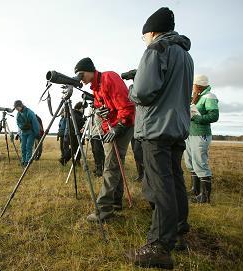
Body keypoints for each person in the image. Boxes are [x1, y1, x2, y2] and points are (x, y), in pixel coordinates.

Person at [127, 7, 194, 269]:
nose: (144, 40)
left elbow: (143, 93)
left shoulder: (156, 49)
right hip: (177, 128)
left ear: (152, 32)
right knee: (175, 181)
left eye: (143, 35)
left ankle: (159, 246)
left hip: (156, 128)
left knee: (160, 186)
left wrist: (132, 88)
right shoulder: (185, 55)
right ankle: (178, 232)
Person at [74, 57, 135, 222]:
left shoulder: (109, 77)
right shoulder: (95, 87)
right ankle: (116, 201)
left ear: (89, 70)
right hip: (111, 126)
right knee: (115, 163)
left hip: (124, 124)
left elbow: (127, 106)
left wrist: (119, 127)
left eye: (81, 75)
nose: (81, 79)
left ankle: (103, 210)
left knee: (111, 166)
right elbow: (104, 105)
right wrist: (102, 112)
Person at [185, 74, 219, 203]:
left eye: (193, 84)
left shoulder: (209, 97)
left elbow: (214, 116)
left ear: (198, 85)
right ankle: (195, 190)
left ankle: (205, 196)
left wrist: (196, 118)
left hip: (201, 134)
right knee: (190, 162)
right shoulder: (195, 97)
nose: (192, 86)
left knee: (200, 163)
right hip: (189, 134)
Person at [14, 100, 40, 166]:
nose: (16, 109)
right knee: (23, 147)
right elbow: (18, 123)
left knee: (28, 146)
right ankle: (23, 160)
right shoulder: (18, 114)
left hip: (31, 132)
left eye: (17, 107)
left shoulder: (30, 112)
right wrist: (22, 127)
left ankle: (27, 161)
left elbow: (35, 123)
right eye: (15, 108)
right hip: (23, 132)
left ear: (20, 105)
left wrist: (37, 134)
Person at [89, 108, 105, 177]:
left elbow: (104, 116)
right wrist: (84, 128)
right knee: (94, 151)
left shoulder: (99, 109)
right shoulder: (90, 110)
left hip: (100, 133)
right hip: (92, 133)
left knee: (98, 151)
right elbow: (89, 121)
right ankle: (97, 167)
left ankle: (101, 169)